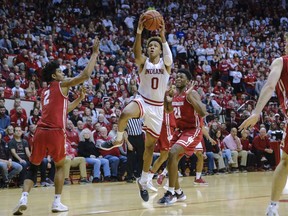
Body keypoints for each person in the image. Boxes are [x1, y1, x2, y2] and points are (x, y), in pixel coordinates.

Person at [12, 37, 100, 215]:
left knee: (33, 167)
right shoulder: (61, 84)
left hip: (39, 132)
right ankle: (57, 202)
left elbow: (63, 110)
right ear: (54, 76)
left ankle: (23, 198)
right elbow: (85, 75)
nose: (63, 73)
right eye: (60, 71)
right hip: (55, 133)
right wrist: (95, 53)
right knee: (61, 165)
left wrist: (79, 100)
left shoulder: (45, 91)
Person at [99, 16, 172, 202]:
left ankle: (144, 179)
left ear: (160, 49)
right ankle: (118, 138)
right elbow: (136, 53)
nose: (151, 48)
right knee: (125, 113)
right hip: (143, 100)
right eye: (150, 46)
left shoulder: (165, 65)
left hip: (157, 109)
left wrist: (162, 37)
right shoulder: (144, 63)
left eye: (154, 46)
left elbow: (169, 57)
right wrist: (139, 32)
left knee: (149, 148)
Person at [239, 36, 288, 216]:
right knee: (285, 162)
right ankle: (273, 207)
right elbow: (269, 85)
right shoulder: (281, 62)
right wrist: (257, 111)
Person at [158, 69, 207, 205]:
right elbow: (169, 110)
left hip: (193, 130)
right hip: (180, 131)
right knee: (170, 158)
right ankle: (179, 193)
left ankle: (170, 193)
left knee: (173, 153)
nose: (178, 78)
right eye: (177, 76)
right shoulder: (174, 94)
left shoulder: (192, 93)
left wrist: (190, 97)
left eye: (181, 76)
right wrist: (166, 99)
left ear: (188, 81)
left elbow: (203, 112)